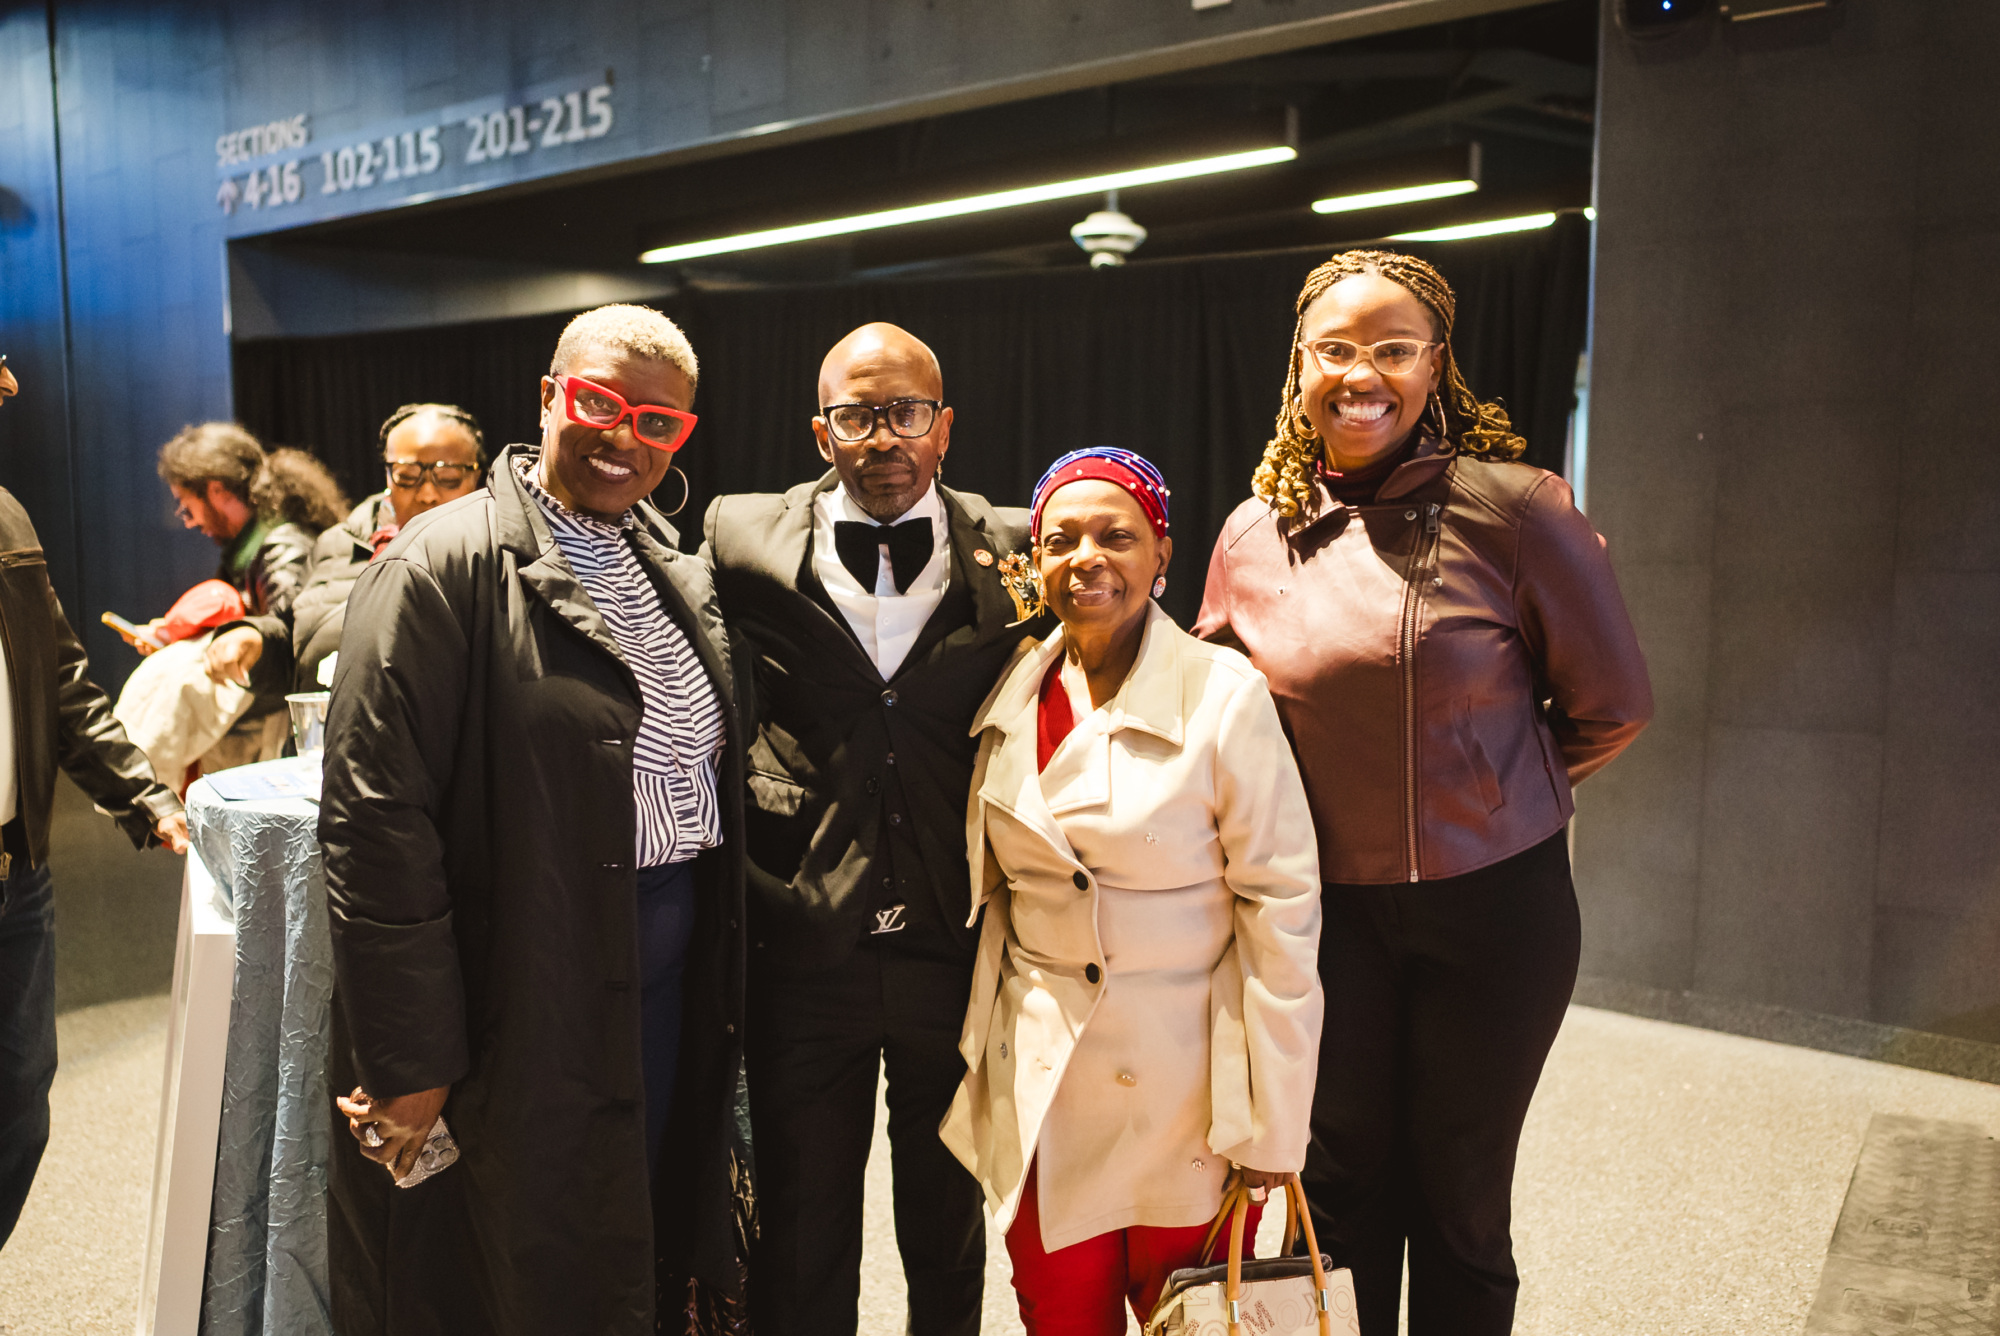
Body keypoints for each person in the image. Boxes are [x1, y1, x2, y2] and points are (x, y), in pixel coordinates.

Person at [1195, 249, 1654, 1335]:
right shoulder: (1249, 536)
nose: (1363, 374)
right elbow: (1214, 722)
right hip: (1323, 918)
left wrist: (1490, 793)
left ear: (1434, 365)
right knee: (1343, 1193)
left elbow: (1612, 705)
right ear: (1297, 365)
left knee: (1459, 1205)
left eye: (1392, 350)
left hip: (1492, 908)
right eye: (1336, 349)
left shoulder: (1517, 510)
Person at [319, 305, 749, 1333]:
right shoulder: (441, 562)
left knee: (624, 1247)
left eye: (656, 422)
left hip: (655, 991)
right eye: (599, 403)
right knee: (517, 1274)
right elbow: (375, 821)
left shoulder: (664, 561)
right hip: (519, 991)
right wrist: (410, 1059)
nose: (621, 436)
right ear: (551, 395)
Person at [703, 323, 1043, 1336]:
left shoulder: (1022, 545)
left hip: (957, 935)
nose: (880, 436)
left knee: (946, 1222)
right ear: (822, 431)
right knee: (802, 1228)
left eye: (902, 414)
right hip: (806, 940)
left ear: (942, 428)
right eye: (856, 416)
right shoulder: (738, 538)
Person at [942, 447, 1323, 1335]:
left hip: (1185, 1090)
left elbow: (1282, 911)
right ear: (1033, 564)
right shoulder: (1012, 686)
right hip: (1045, 1079)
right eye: (1061, 539)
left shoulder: (1223, 694)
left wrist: (1275, 1123)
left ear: (1163, 553)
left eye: (1117, 535)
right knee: (1058, 1318)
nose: (1087, 558)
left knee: (1188, 1318)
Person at [0, 353, 190, 1250]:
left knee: (19, 1106)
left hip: (15, 870)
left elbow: (63, 683)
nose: (8, 390)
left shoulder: (4, 516)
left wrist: (145, 798)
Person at [209, 402, 486, 696]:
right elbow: (294, 640)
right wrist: (257, 640)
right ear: (388, 475)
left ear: (477, 477)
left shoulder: (493, 553)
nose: (427, 493)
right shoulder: (338, 543)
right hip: (332, 732)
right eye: (407, 475)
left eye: (448, 478)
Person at [152, 424, 348, 763]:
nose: (188, 522)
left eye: (187, 507)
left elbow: (289, 655)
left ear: (216, 490)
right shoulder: (247, 550)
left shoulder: (283, 548)